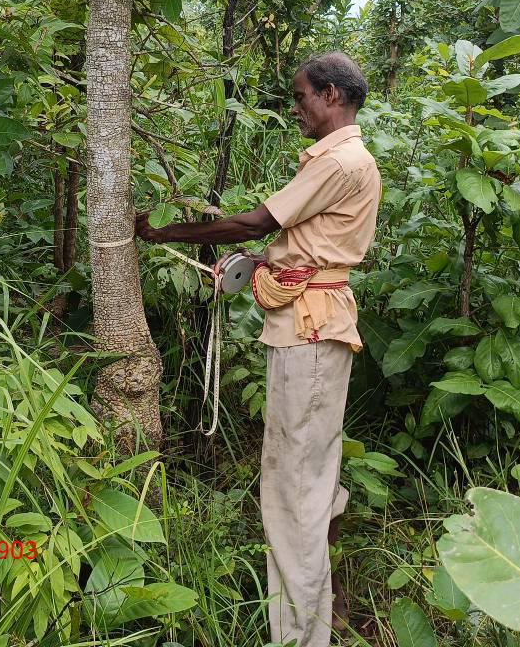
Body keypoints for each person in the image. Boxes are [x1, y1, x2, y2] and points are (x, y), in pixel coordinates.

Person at [135, 51, 381, 647]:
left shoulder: (340, 161)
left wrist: (163, 232)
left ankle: (300, 636)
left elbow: (256, 223)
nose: (295, 108)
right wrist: (259, 262)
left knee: (295, 488)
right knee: (313, 475)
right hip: (314, 328)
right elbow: (296, 240)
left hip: (310, 334)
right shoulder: (345, 160)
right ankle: (325, 612)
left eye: (300, 97)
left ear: (330, 95)